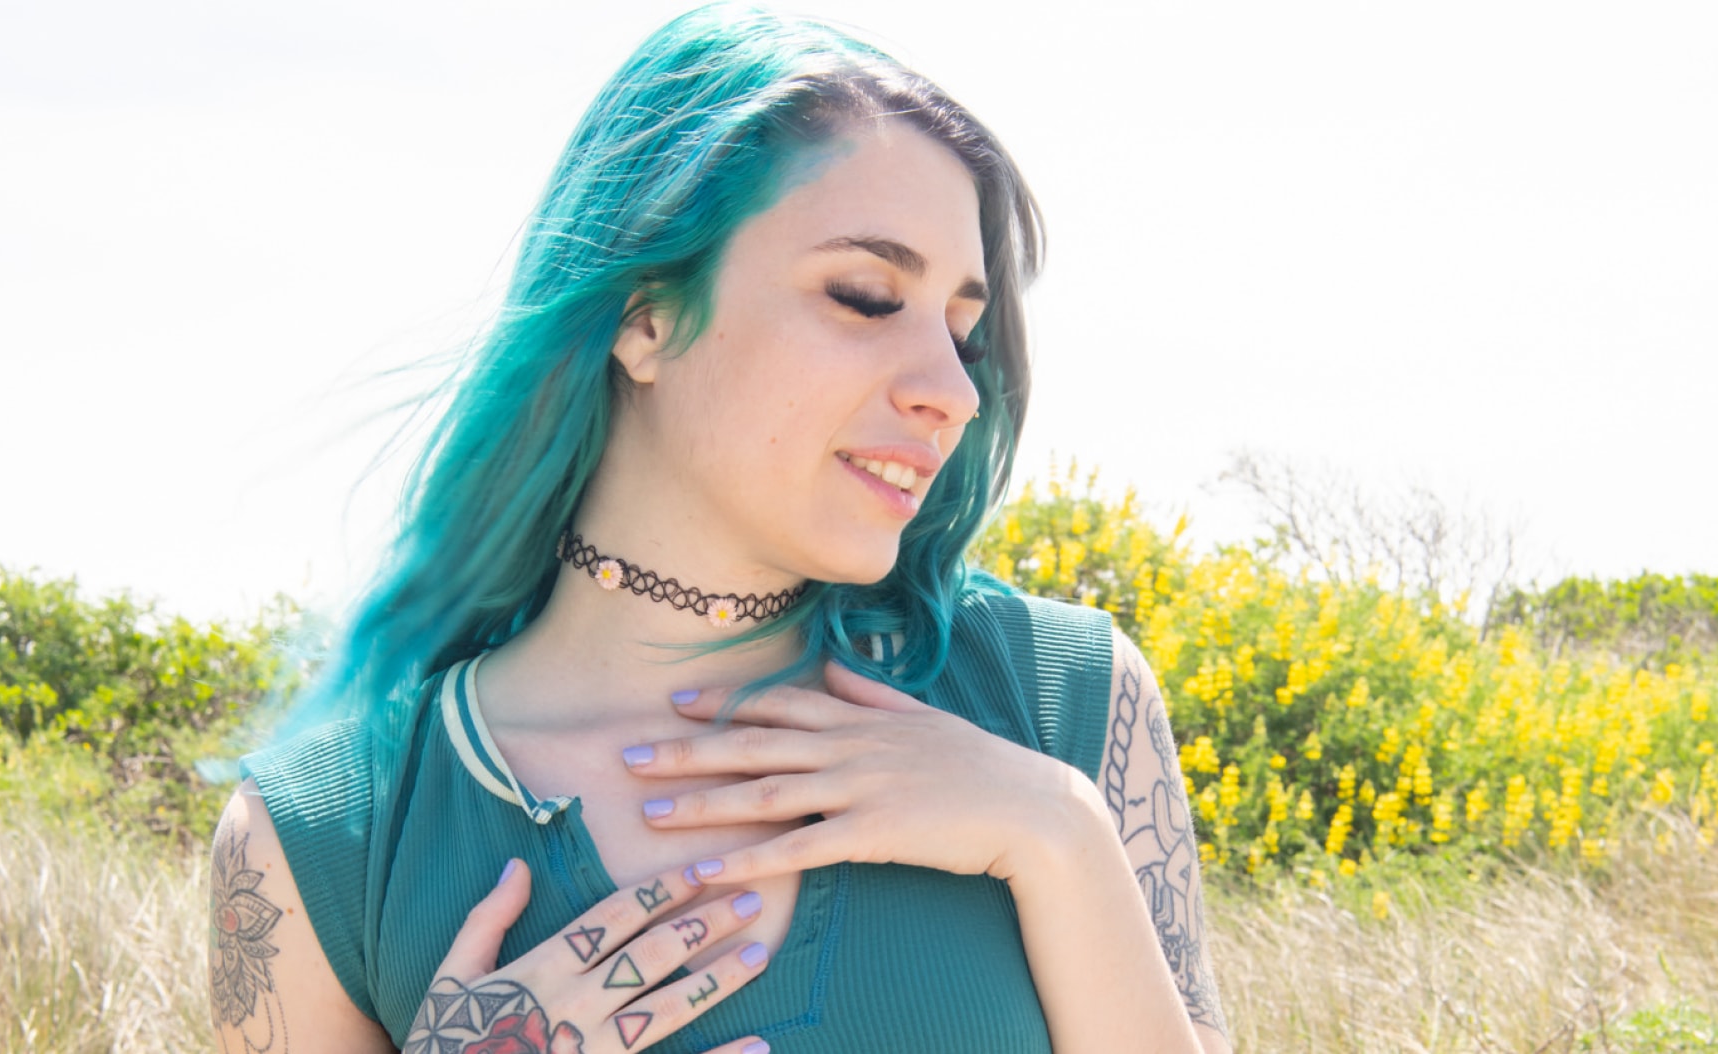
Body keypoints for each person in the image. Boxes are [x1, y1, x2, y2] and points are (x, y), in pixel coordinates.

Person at [208, 5, 1232, 1052]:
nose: (952, 391)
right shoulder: (321, 837)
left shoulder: (1059, 696)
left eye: (961, 333)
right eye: (865, 294)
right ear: (643, 318)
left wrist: (1058, 834)